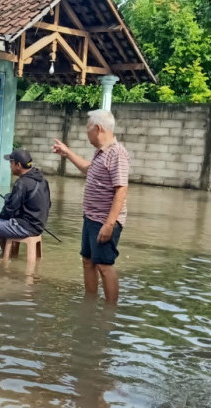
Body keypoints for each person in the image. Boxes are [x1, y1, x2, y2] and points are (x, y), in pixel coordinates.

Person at [51, 109, 129, 304]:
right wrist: (68, 153)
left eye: (88, 129)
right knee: (88, 261)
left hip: (104, 220)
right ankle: (90, 303)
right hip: (91, 218)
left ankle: (110, 312)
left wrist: (110, 224)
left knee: (104, 265)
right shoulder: (100, 153)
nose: (87, 134)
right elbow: (89, 169)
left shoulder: (117, 153)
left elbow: (121, 190)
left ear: (98, 128)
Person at [0, 149, 51, 259]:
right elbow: (48, 205)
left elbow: (10, 209)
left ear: (18, 165)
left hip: (26, 227)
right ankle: (11, 257)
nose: (10, 166)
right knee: (1, 223)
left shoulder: (21, 183)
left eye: (11, 162)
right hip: (39, 226)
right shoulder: (43, 180)